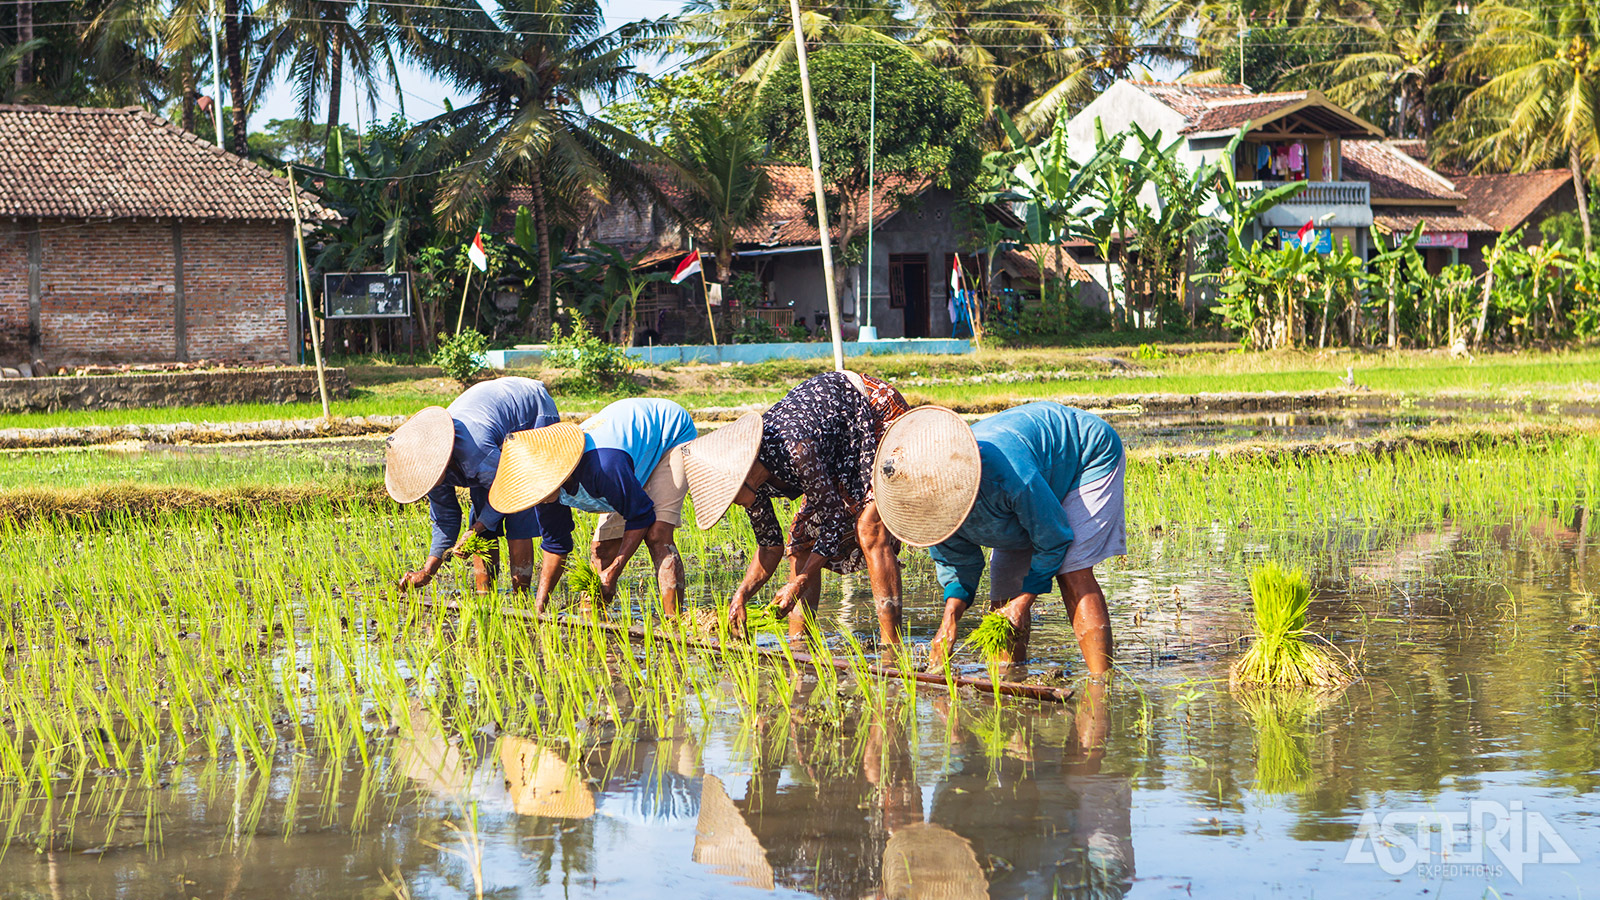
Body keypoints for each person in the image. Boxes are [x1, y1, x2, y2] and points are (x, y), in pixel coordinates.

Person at [872, 402, 1126, 675]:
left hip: (1085, 456)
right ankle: (1010, 678)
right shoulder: (931, 509)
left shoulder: (1007, 476)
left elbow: (1054, 538)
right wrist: (950, 619)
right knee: (1004, 595)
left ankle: (1101, 685)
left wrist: (1024, 600)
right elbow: (958, 564)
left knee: (1071, 570)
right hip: (1031, 482)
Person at [680, 371, 910, 643]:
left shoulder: (796, 450)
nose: (732, 504)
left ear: (742, 478)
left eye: (729, 497)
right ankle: (799, 644)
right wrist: (741, 594)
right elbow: (770, 546)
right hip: (833, 447)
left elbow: (834, 519)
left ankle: (891, 645)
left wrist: (797, 583)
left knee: (870, 528)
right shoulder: (754, 486)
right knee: (800, 543)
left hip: (870, 412)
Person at [488, 398, 697, 615]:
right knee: (601, 549)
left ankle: (673, 621)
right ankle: (596, 623)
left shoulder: (602, 468)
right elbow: (556, 544)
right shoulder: (543, 491)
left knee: (657, 534)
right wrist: (540, 606)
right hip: (629, 456)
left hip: (668, 434)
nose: (536, 499)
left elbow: (640, 515)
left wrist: (614, 572)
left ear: (552, 476)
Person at [387, 376, 561, 595]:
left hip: (531, 411)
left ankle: (522, 596)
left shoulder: (476, 449)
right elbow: (445, 519)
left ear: (442, 459)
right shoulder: (427, 468)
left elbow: (509, 489)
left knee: (519, 509)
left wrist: (476, 529)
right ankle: (485, 595)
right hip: (488, 432)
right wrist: (427, 572)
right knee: (481, 511)